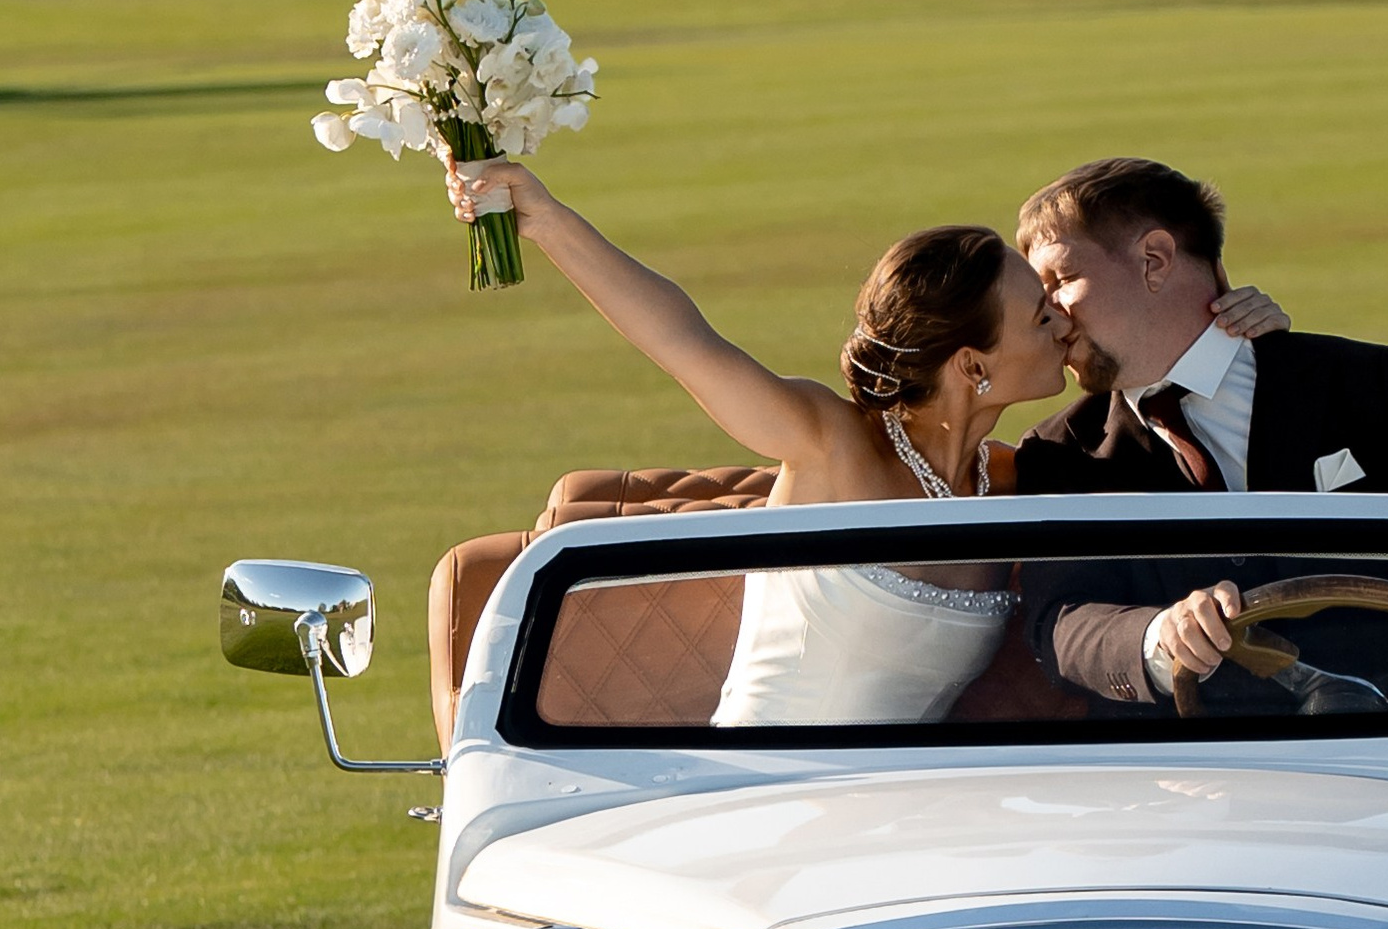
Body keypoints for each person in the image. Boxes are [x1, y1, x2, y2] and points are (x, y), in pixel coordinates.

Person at [438, 154, 1283, 724]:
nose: (1064, 320)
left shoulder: (1015, 476)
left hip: (895, 822)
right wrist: (541, 217)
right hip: (758, 796)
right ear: (973, 366)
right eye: (1039, 314)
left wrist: (1244, 340)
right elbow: (683, 339)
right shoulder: (831, 445)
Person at [1008, 154, 1388, 712]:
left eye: (1062, 281)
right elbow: (1061, 622)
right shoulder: (1058, 451)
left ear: (1154, 261)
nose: (1052, 316)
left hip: (1386, 741)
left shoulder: (1370, 385)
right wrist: (1160, 635)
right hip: (1178, 757)